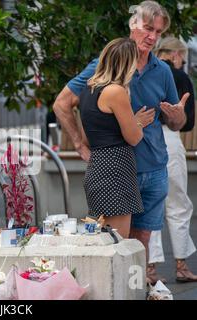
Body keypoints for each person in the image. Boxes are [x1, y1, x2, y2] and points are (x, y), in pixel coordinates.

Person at [53, 1, 190, 285]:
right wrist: (80, 146)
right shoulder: (103, 67)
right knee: (117, 246)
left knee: (139, 244)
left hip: (153, 169)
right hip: (118, 173)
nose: (152, 36)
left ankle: (135, 290)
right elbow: (62, 104)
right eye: (148, 28)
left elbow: (176, 124)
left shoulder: (162, 70)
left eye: (158, 31)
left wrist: (178, 117)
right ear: (133, 26)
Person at [79, 38, 147, 239]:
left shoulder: (87, 89)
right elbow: (134, 138)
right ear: (128, 63)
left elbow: (86, 138)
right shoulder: (115, 91)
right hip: (116, 170)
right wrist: (139, 122)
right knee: (117, 245)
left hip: (97, 167)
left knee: (103, 242)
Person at [148, 37, 197, 282]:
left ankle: (150, 269)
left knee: (150, 202)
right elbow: (188, 123)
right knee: (178, 203)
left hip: (145, 139)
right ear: (177, 55)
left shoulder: (146, 72)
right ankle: (181, 266)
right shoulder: (179, 76)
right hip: (170, 139)